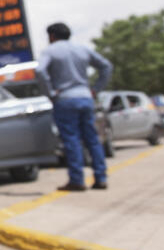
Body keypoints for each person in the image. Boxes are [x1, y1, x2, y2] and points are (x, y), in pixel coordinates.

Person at [36, 22, 113, 191]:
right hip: (85, 98)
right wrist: (96, 89)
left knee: (71, 140)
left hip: (64, 100)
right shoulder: (82, 49)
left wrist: (50, 93)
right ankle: (101, 178)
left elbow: (40, 71)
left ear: (52, 36)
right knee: (92, 139)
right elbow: (106, 66)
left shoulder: (50, 51)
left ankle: (77, 180)